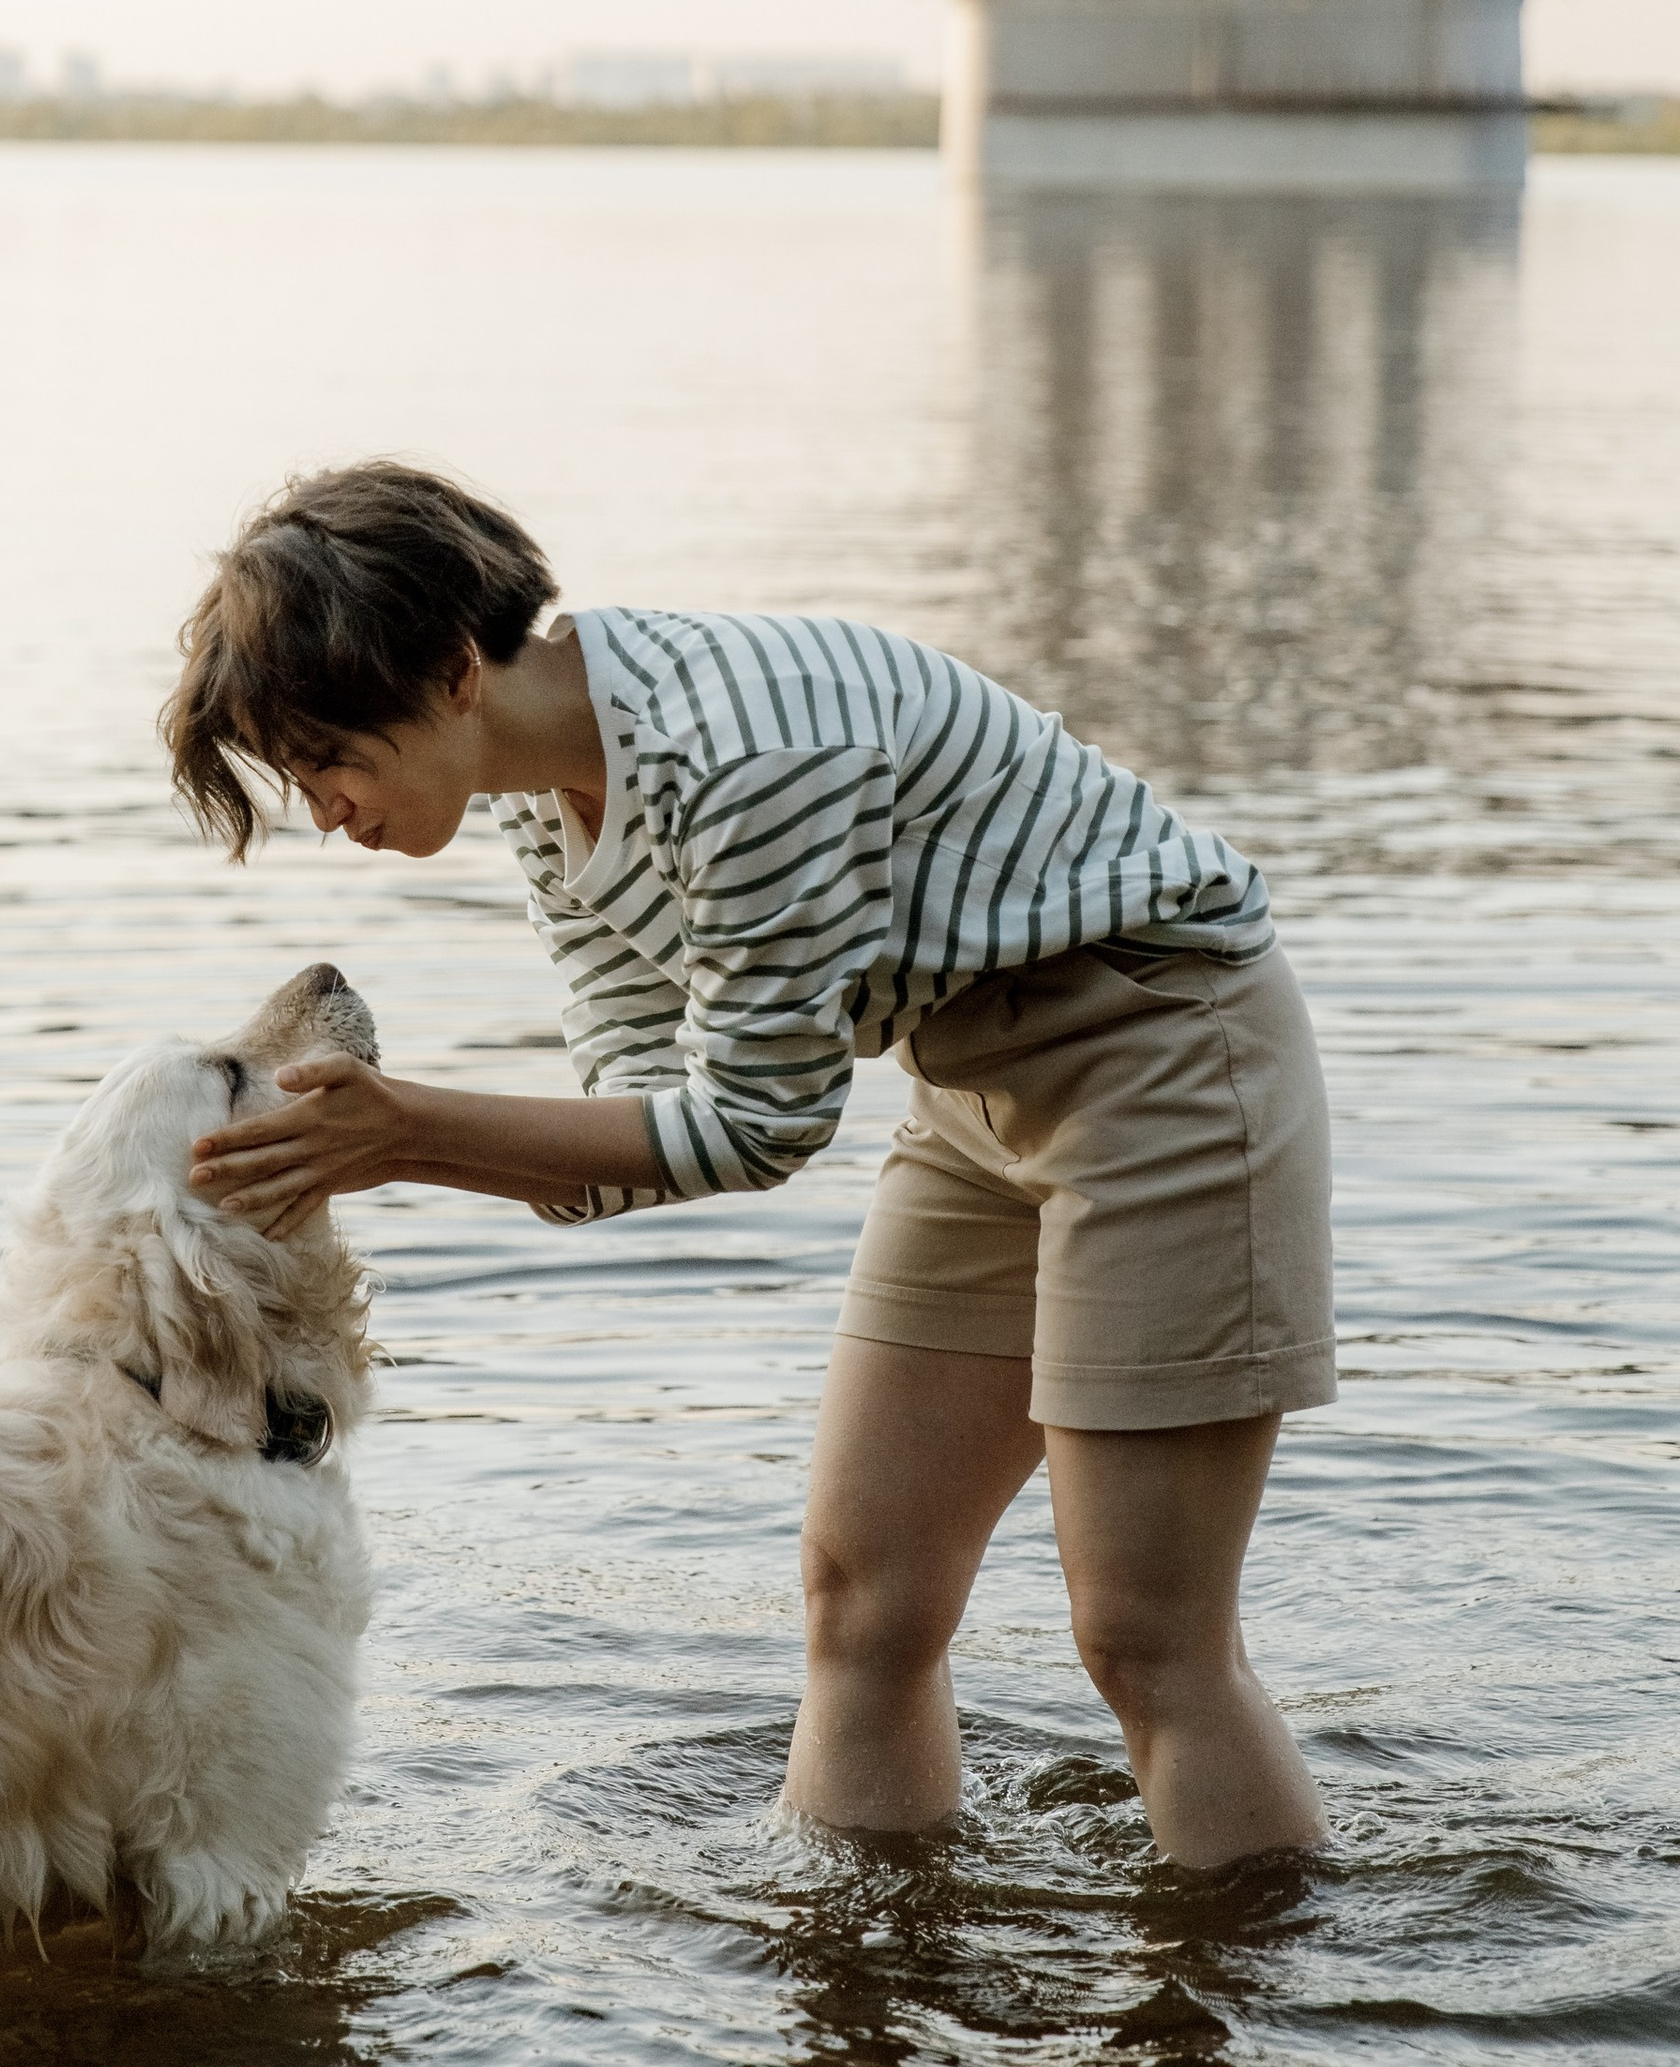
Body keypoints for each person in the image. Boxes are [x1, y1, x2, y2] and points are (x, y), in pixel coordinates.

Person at [165, 461, 1333, 1871]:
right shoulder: (553, 789)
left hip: (1163, 1052)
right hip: (974, 1082)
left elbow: (757, 1129)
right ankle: (856, 1986)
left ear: (456, 671)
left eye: (328, 757)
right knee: (865, 1600)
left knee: (1148, 1641)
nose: (324, 808)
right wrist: (374, 1153)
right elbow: (626, 1131)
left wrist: (406, 1132)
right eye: (296, 778)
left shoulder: (740, 757)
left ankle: (1231, 2037)